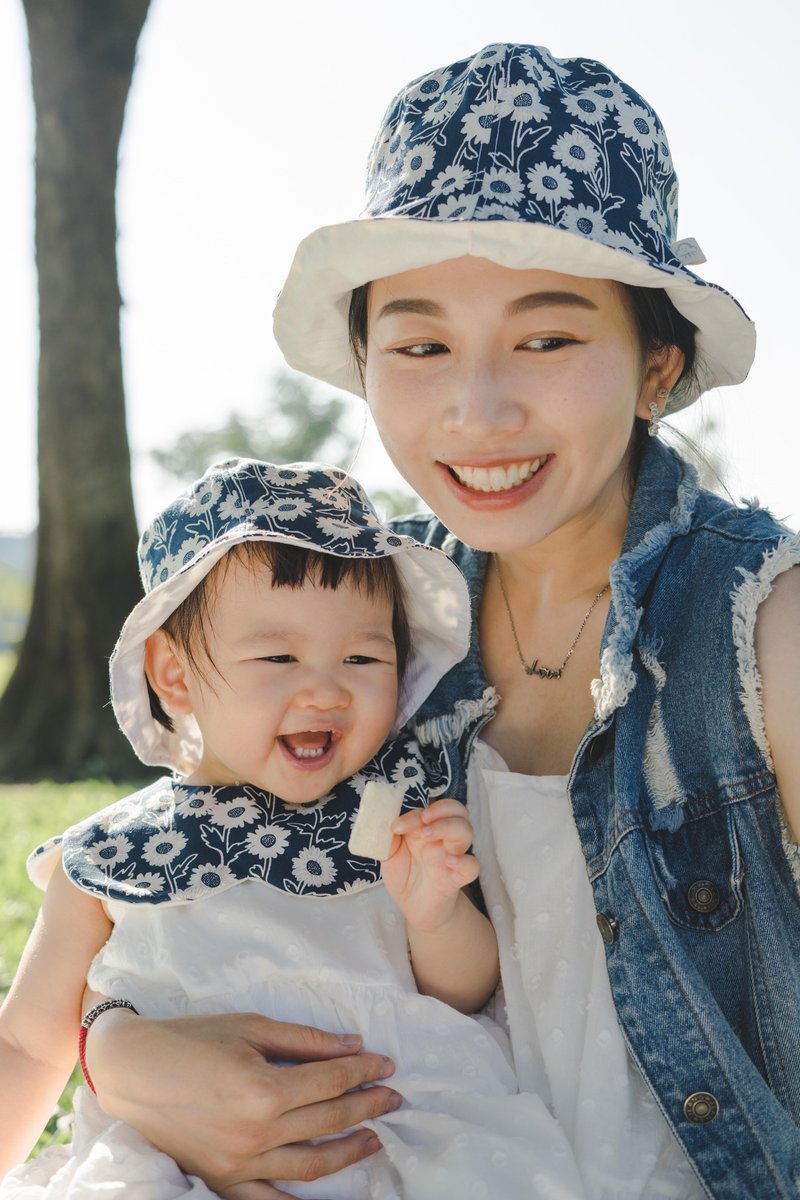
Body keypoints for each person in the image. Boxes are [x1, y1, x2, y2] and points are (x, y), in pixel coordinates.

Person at [52, 42, 800, 1200]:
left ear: (655, 366)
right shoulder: (383, 621)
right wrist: (122, 1051)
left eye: (547, 338)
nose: (477, 407)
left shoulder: (765, 636)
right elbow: (223, 894)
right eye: (419, 344)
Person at [0, 457, 577, 1199]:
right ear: (173, 676)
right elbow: (24, 1041)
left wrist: (433, 914)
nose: (326, 688)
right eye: (278, 656)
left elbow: (468, 994)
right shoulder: (115, 857)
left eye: (363, 656)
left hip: (402, 1146)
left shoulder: (392, 820)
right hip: (181, 1167)